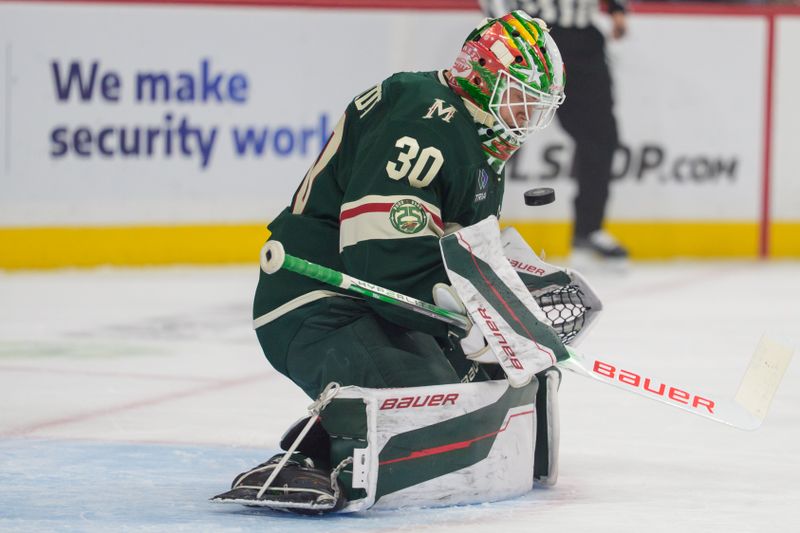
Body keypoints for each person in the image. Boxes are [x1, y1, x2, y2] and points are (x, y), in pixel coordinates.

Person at [215, 11, 567, 513]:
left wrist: (499, 303)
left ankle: (333, 426)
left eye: (536, 104)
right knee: (437, 404)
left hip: (380, 305)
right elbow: (380, 255)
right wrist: (467, 317)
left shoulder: (479, 149)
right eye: (520, 96)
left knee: (487, 385)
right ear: (484, 76)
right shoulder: (423, 113)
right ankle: (315, 458)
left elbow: (451, 256)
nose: (527, 115)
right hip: (317, 301)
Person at [481, 0, 630, 264]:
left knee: (601, 138)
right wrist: (510, 33)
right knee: (502, 130)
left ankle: (588, 230)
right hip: (533, 38)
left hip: (585, 40)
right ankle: (471, 225)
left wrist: (617, 9)